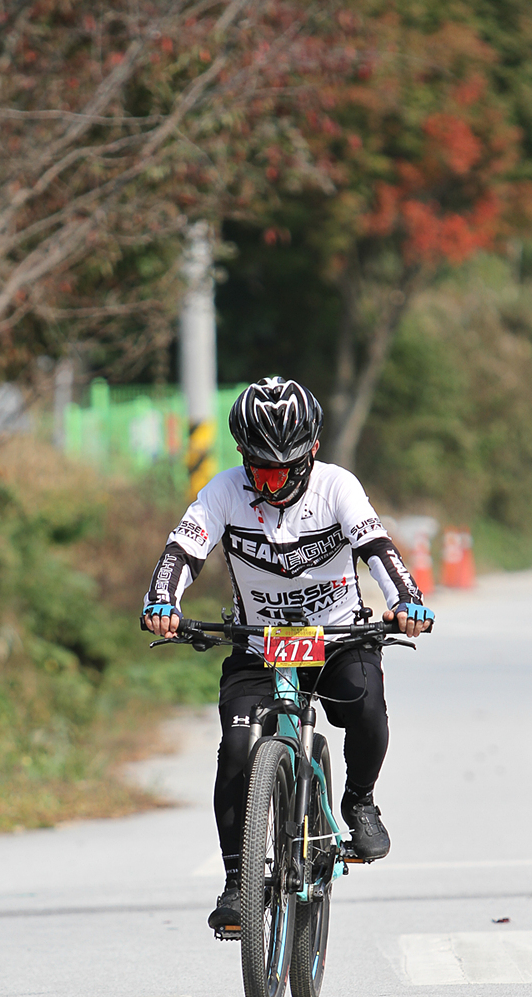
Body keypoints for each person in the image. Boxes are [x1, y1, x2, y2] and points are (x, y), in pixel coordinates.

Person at [142, 377, 433, 937]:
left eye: (284, 471)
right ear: (242, 456)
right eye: (260, 470)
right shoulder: (223, 491)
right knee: (236, 749)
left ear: (312, 452)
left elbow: (377, 548)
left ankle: (360, 802)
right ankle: (238, 882)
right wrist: (162, 600)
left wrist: (406, 601)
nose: (271, 484)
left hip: (337, 637)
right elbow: (183, 549)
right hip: (259, 642)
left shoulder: (337, 487)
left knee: (366, 707)